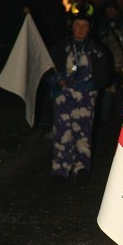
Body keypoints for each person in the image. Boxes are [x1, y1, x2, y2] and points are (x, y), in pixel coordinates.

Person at [46, 14, 110, 185]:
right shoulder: (60, 48)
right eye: (77, 25)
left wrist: (91, 85)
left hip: (85, 100)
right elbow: (46, 68)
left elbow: (104, 76)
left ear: (89, 28)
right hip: (63, 99)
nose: (81, 29)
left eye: (84, 26)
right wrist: (55, 79)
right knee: (62, 133)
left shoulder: (97, 51)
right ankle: (60, 170)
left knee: (83, 134)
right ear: (72, 27)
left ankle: (81, 170)